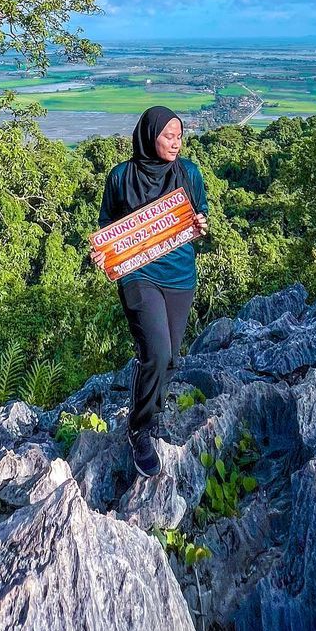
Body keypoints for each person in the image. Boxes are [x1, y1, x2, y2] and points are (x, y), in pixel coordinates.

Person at [90, 106, 209, 478]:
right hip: (137, 276)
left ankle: (151, 409)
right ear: (149, 136)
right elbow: (107, 224)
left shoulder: (188, 173)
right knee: (155, 352)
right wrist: (103, 253)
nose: (176, 143)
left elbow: (198, 213)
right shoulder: (121, 177)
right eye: (168, 136)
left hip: (179, 275)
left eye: (179, 136)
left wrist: (201, 225)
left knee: (170, 358)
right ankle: (140, 429)